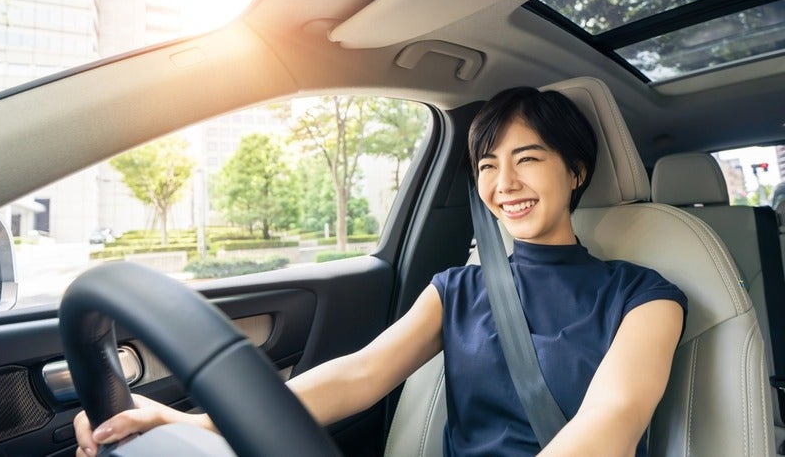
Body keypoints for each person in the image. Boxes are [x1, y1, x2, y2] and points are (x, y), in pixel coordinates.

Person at [74, 87, 687, 456]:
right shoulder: (459, 288)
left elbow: (612, 425)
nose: (505, 185)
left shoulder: (644, 295)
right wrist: (197, 422)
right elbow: (360, 375)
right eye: (488, 166)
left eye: (528, 159)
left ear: (576, 171)